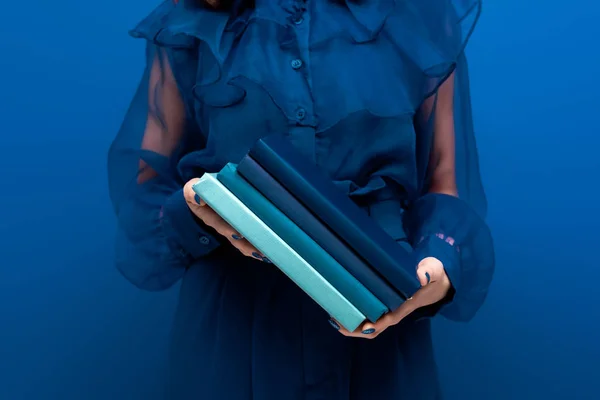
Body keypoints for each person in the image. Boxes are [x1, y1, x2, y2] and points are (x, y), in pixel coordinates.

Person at [107, 0, 495, 398]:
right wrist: (196, 207)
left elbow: (445, 181)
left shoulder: (421, 13)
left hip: (379, 312)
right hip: (235, 324)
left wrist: (439, 266)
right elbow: (146, 192)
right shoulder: (192, 16)